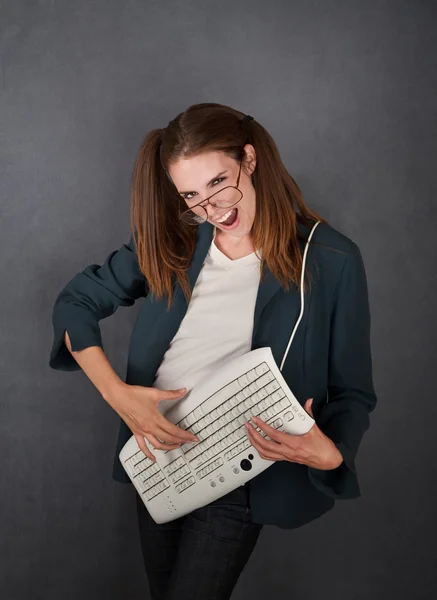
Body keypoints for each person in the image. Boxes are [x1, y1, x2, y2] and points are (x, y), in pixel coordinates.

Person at [49, 102, 377, 600]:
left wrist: (333, 455)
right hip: (156, 457)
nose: (211, 208)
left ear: (249, 159)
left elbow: (353, 389)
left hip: (236, 472)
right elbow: (76, 302)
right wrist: (119, 396)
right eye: (191, 195)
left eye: (219, 181)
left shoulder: (330, 259)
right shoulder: (175, 240)